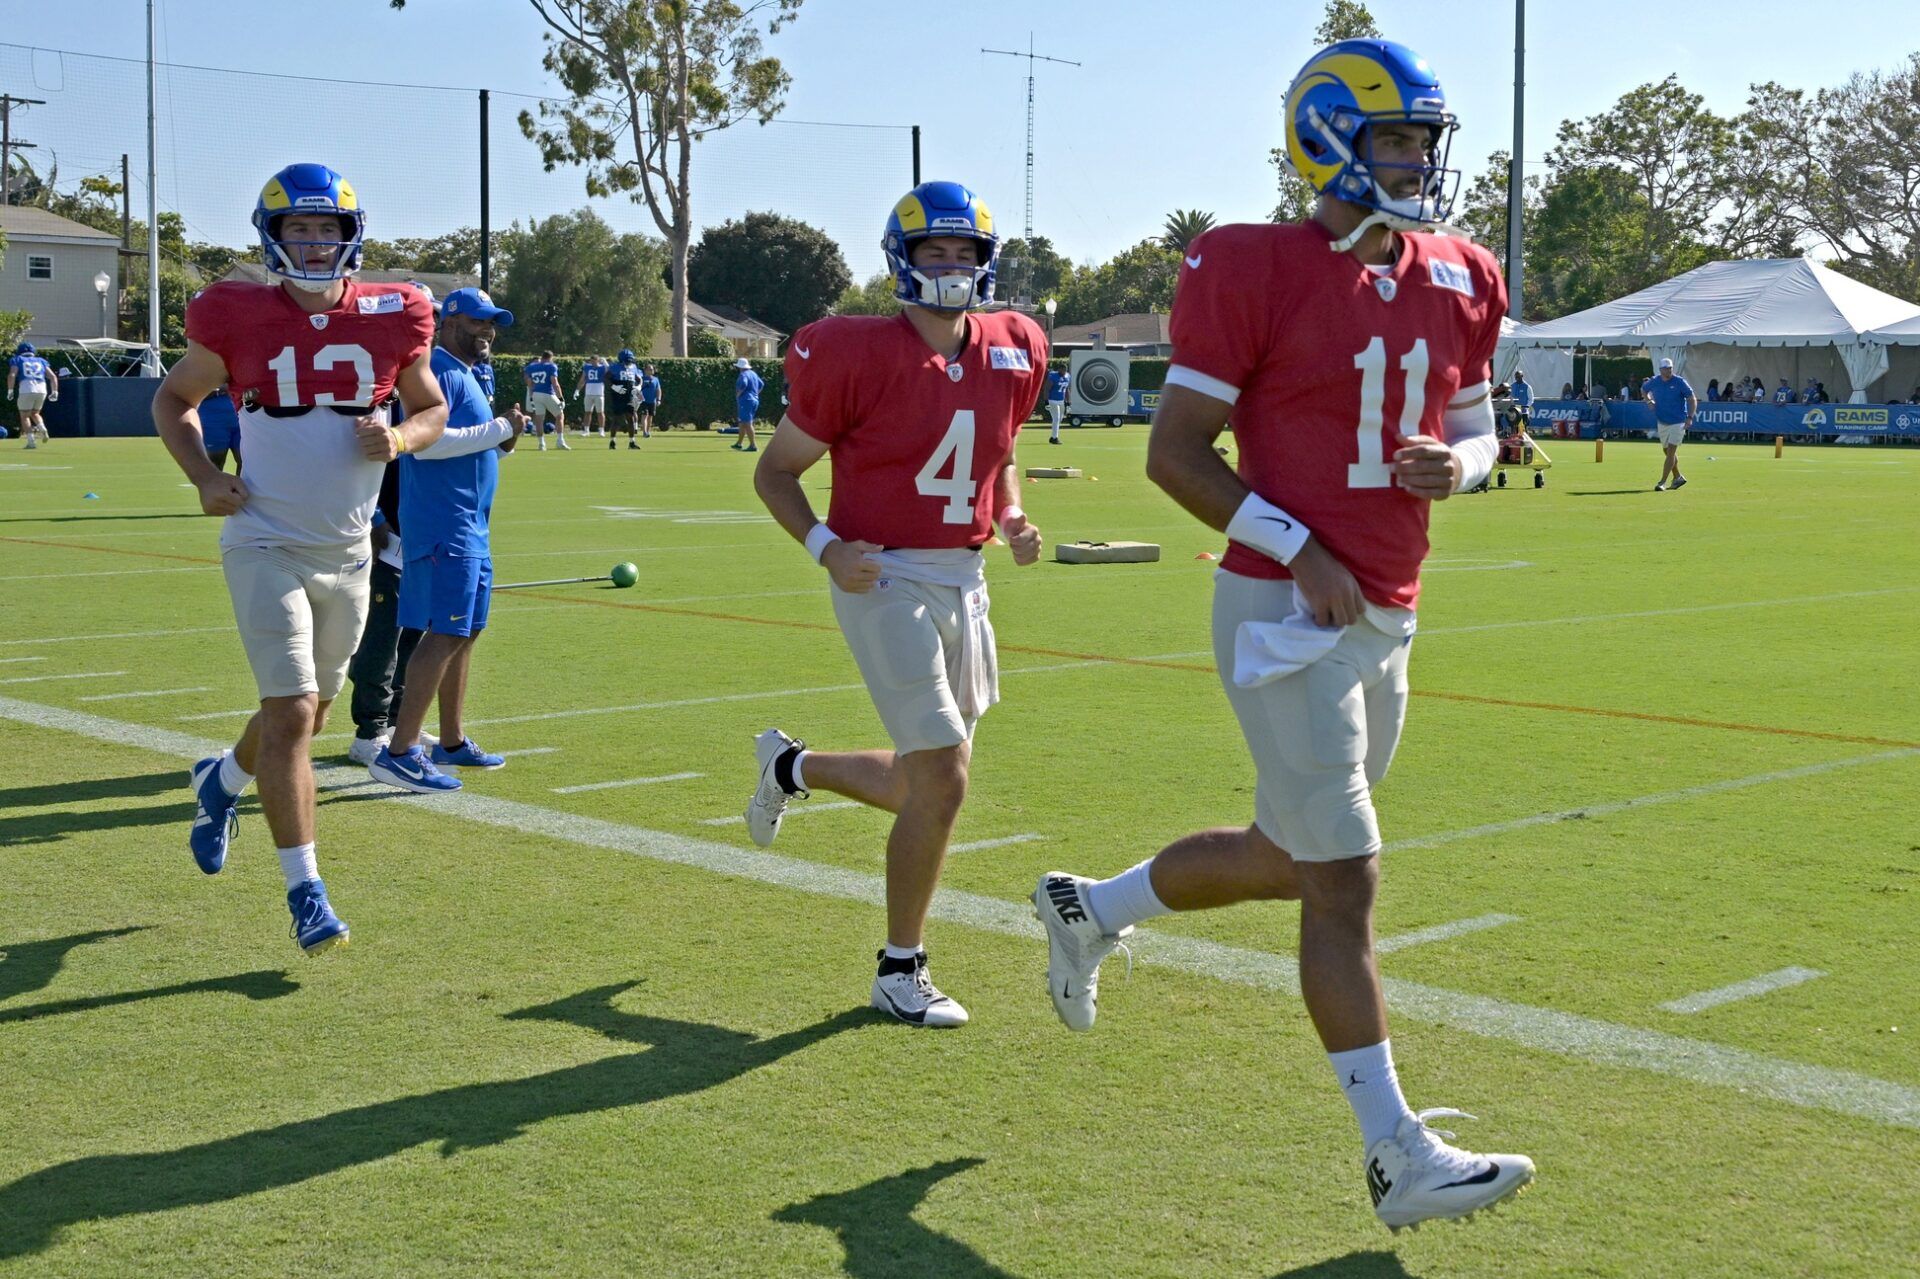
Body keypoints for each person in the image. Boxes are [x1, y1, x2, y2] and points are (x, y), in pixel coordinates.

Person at [1031, 40, 1533, 1233]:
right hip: (1284, 610)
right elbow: (1173, 452)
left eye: (1424, 138)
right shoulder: (1250, 261)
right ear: (1326, 136)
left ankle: (1090, 909)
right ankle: (1394, 1152)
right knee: (1347, 878)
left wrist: (1453, 471)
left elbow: (1476, 429)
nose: (1417, 159)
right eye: (1396, 136)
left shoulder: (1463, 270)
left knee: (1289, 856)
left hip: (1389, 606)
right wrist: (1298, 545)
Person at [747, 180, 1047, 1028]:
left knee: (927, 779)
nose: (951, 267)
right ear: (902, 261)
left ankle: (789, 767)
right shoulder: (852, 352)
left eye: (965, 253)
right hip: (882, 576)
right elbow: (775, 471)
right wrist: (824, 547)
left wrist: (1014, 511)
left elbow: (1000, 446)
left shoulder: (1015, 345)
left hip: (966, 578)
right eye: (934, 252)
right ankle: (899, 965)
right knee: (945, 776)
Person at [151, 162, 447, 954]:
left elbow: (430, 407)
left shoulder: (396, 311)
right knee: (288, 711)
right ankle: (306, 891)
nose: (313, 244)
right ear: (271, 235)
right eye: (298, 229)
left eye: (326, 229)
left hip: (348, 551)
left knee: (310, 713)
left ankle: (220, 782)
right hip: (264, 539)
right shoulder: (236, 312)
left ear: (351, 236)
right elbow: (172, 399)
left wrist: (402, 437)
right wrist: (207, 475)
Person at [368, 287, 522, 793]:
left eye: (492, 322)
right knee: (446, 633)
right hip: (444, 527)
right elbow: (427, 448)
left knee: (466, 631)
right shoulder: (435, 369)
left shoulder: (464, 373)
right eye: (478, 321)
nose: (488, 331)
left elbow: (469, 453)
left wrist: (504, 443)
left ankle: (451, 741)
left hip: (468, 524)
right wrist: (501, 427)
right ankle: (400, 751)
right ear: (449, 322)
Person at [1642, 358, 1696, 490]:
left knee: (1671, 452)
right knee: (1666, 451)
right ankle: (1678, 477)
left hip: (1678, 422)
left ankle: (1662, 482)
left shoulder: (1679, 382)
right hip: (1662, 421)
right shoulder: (1654, 381)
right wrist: (1648, 401)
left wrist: (1689, 417)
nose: (1668, 370)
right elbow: (1643, 389)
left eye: (1670, 368)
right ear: (1660, 370)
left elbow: (1692, 399)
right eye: (1666, 368)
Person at [8, 342, 56, 448]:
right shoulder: (42, 361)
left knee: (24, 415)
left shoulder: (17, 359)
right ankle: (42, 428)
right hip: (42, 388)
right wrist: (55, 391)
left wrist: (10, 390)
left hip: (26, 388)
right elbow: (52, 377)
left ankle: (31, 441)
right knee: (35, 413)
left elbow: (12, 375)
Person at [523, 350, 570, 450]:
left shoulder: (532, 366)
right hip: (548, 393)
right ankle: (560, 441)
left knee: (539, 419)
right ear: (550, 357)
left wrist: (531, 396)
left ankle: (541, 444)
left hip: (536, 394)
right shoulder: (551, 366)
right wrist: (561, 398)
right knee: (560, 415)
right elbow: (555, 383)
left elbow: (529, 382)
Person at [607, 348, 642, 449]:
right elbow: (606, 378)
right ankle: (612, 442)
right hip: (618, 395)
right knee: (616, 419)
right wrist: (614, 386)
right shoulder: (615, 367)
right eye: (626, 360)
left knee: (630, 418)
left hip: (629, 395)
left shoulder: (633, 367)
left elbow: (639, 379)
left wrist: (638, 386)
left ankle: (632, 442)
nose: (628, 363)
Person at [731, 357, 764, 452]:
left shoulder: (743, 375)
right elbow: (761, 384)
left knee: (747, 423)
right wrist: (756, 394)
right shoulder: (753, 374)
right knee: (742, 422)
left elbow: (744, 384)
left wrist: (738, 394)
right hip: (754, 400)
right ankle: (739, 443)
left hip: (746, 401)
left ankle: (753, 445)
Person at [579, 355, 607, 435]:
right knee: (587, 412)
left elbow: (609, 371)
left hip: (599, 393)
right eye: (591, 361)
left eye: (593, 361)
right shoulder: (587, 367)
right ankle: (586, 430)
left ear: (597, 360)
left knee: (600, 412)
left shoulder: (602, 367)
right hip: (589, 392)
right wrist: (578, 389)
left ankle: (601, 430)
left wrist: (605, 362)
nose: (592, 362)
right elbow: (583, 378)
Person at [1045, 365, 1069, 443]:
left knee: (1060, 419)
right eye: (1062, 370)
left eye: (1065, 370)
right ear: (1059, 369)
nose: (1064, 372)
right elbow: (1047, 389)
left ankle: (1052, 437)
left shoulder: (1068, 376)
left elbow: (1067, 389)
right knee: (1056, 418)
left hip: (1061, 401)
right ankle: (1055, 438)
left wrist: (1068, 402)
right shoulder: (1053, 376)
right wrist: (1046, 401)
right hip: (1052, 400)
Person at [639, 362, 663, 437]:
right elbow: (637, 389)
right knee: (644, 415)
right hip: (644, 401)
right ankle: (644, 432)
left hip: (652, 401)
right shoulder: (641, 379)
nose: (651, 371)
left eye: (652, 369)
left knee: (650, 416)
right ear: (645, 370)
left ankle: (648, 431)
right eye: (649, 369)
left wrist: (658, 399)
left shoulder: (656, 379)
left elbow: (658, 390)